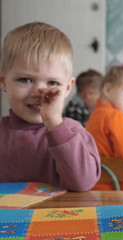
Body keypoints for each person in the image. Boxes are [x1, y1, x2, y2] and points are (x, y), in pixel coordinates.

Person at [0, 22, 101, 191]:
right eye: (25, 80)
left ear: (68, 88)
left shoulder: (73, 132)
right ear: (3, 81)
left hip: (59, 216)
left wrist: (54, 123)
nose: (39, 92)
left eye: (52, 82)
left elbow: (83, 183)